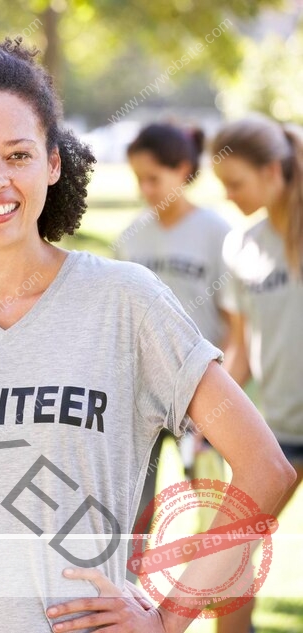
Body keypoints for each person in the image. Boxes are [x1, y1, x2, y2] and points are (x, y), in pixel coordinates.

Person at [0, 39, 293, 632]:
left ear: (53, 163)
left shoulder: (126, 301)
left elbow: (266, 471)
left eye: (17, 155)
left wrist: (167, 618)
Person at [116, 123, 231, 537]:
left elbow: (236, 324)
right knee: (131, 516)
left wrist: (217, 399)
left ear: (182, 169)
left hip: (203, 397)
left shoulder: (217, 233)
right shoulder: (131, 237)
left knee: (214, 520)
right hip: (140, 395)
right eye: (138, 179)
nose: (145, 189)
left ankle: (211, 599)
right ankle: (126, 596)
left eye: (153, 178)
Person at [211, 116, 303, 633]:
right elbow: (241, 352)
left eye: (236, 184)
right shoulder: (241, 245)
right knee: (228, 563)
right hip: (278, 435)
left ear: (273, 171)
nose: (228, 197)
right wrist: (207, 413)